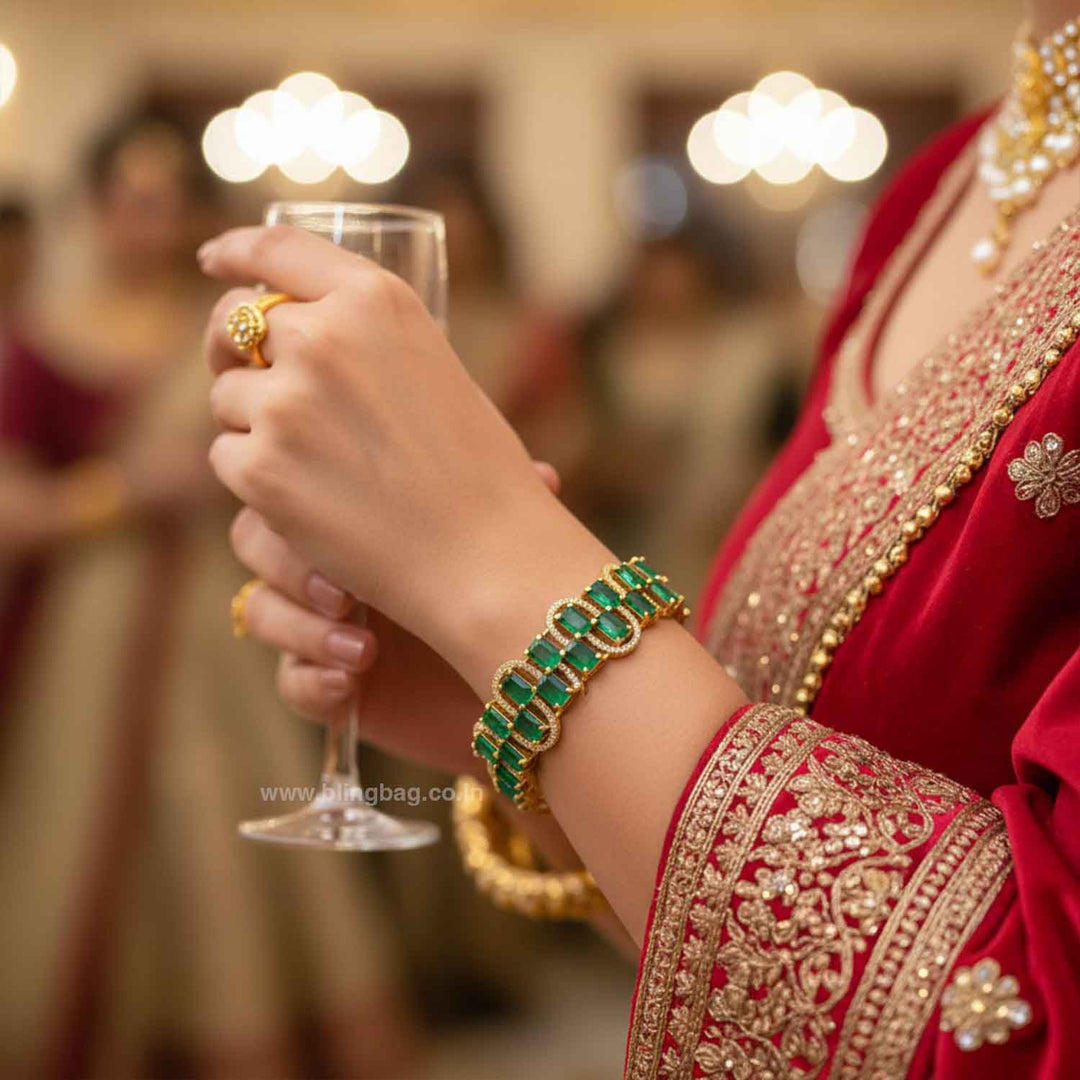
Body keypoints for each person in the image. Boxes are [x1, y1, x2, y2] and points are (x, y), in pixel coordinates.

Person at [199, 0, 1080, 1073]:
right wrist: (496, 686)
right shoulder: (933, 192)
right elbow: (737, 960)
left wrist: (501, 571)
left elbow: (1031, 1017)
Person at [0, 105, 414, 1078]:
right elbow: (13, 512)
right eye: (127, 202)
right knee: (92, 828)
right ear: (93, 209)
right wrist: (123, 491)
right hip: (91, 628)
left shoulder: (236, 324)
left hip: (222, 607)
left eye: (165, 202)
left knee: (231, 817)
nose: (145, 225)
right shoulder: (38, 337)